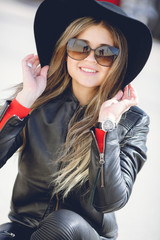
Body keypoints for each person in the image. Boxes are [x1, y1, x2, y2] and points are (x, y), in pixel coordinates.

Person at [0, 0, 152, 239]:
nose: (90, 59)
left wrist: (106, 127)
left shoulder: (132, 121)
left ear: (118, 62)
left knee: (63, 223)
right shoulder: (38, 100)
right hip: (25, 228)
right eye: (80, 47)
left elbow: (109, 201)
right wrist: (24, 100)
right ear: (65, 50)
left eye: (105, 53)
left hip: (82, 234)